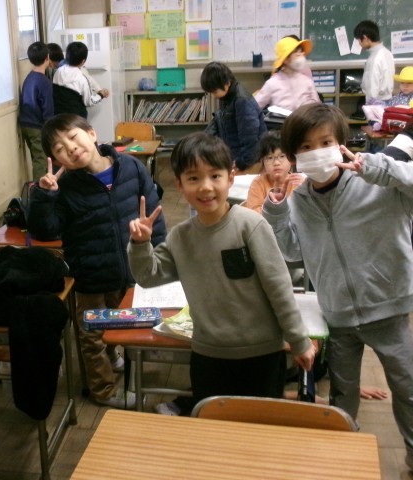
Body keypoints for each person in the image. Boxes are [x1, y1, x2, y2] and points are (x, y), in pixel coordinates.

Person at [261, 102, 413, 472]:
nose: (317, 152)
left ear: (342, 143)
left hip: (389, 307)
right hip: (338, 315)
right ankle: (341, 460)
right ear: (295, 156)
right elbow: (292, 252)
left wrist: (378, 167)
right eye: (306, 147)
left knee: (408, 389)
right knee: (343, 398)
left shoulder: (375, 181)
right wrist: (276, 211)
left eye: (325, 142)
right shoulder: (300, 200)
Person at [127, 131, 316, 415]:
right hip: (208, 355)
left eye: (215, 176)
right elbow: (148, 276)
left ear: (230, 177)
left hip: (261, 353)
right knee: (213, 425)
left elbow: (279, 288)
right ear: (179, 184)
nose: (206, 187)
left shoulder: (251, 225)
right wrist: (141, 244)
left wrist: (299, 341)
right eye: (193, 178)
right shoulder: (181, 237)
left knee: (260, 426)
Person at [27, 113, 166, 409]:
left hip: (130, 267)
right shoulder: (64, 188)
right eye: (60, 148)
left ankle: (114, 357)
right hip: (89, 274)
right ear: (56, 159)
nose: (70, 148)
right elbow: (45, 230)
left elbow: (153, 213)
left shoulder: (131, 167)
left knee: (125, 324)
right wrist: (44, 196)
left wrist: (158, 257)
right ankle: (103, 390)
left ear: (91, 133)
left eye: (73, 137)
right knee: (91, 335)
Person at [200, 61, 267, 172]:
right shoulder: (226, 96)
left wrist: (241, 164)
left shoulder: (241, 101)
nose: (213, 96)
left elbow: (250, 138)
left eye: (214, 92)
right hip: (236, 156)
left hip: (249, 161)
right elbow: (219, 120)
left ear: (226, 83)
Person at [254, 37, 321, 113]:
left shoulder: (307, 81)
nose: (301, 54)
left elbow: (318, 108)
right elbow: (254, 107)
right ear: (285, 60)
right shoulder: (272, 83)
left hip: (304, 119)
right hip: (281, 120)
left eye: (301, 51)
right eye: (296, 52)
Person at [19, 41, 54, 180]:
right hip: (37, 126)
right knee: (41, 159)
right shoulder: (44, 82)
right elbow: (47, 109)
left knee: (37, 157)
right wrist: (50, 129)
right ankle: (40, 189)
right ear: (47, 57)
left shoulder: (29, 77)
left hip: (25, 124)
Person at [246, 130, 305, 213]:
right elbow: (253, 213)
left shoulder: (298, 182)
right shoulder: (258, 183)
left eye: (282, 156)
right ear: (262, 161)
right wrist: (273, 206)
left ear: (291, 158)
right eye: (270, 158)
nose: (276, 163)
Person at [53, 41, 109, 118]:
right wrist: (101, 95)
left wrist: (98, 89)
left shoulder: (58, 72)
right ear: (83, 61)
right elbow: (89, 101)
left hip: (58, 117)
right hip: (76, 118)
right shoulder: (81, 79)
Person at [353, 20, 395, 105]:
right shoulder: (388, 53)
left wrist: (369, 106)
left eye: (359, 40)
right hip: (388, 99)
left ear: (365, 38)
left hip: (376, 102)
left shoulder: (375, 59)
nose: (359, 44)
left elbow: (373, 86)